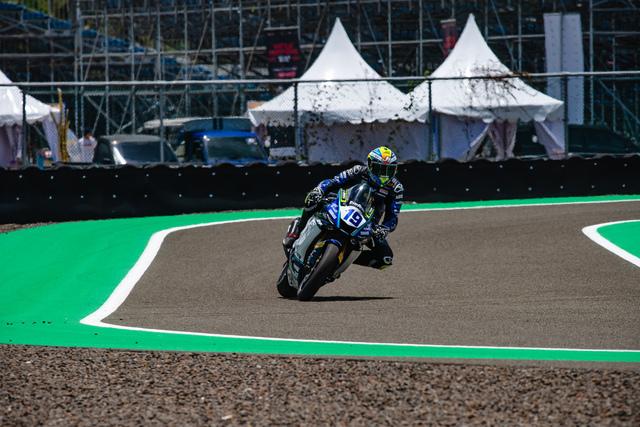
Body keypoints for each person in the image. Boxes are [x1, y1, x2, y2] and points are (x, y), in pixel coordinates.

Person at [283, 146, 403, 270]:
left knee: (385, 259)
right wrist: (319, 190)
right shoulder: (358, 170)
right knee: (313, 199)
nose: (384, 175)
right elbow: (333, 181)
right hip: (341, 206)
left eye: (389, 170)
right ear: (370, 165)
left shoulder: (396, 188)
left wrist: (384, 229)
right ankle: (297, 231)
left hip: (367, 224)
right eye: (380, 169)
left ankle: (343, 258)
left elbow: (392, 217)